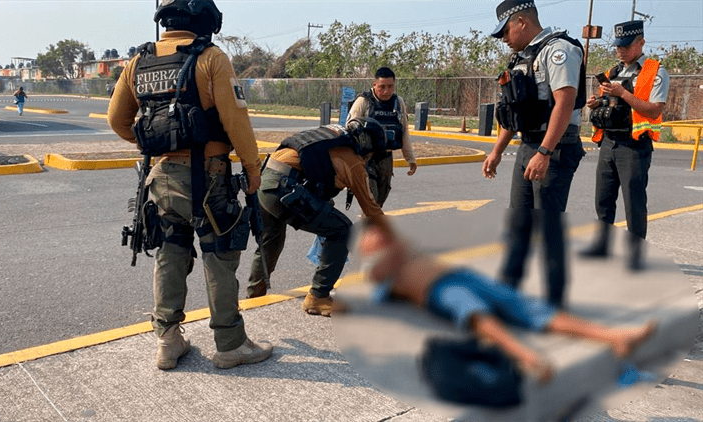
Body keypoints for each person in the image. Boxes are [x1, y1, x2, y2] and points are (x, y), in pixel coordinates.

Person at [107, 0, 272, 370]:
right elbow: (236, 121)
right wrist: (252, 169)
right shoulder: (211, 58)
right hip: (208, 178)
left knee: (169, 252)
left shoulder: (138, 62)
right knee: (219, 256)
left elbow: (117, 120)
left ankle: (168, 342)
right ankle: (230, 345)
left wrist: (157, 142)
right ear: (205, 20)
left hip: (160, 178)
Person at [354, 220, 657, 383]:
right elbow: (378, 281)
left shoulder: (398, 243)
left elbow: (394, 236)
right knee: (477, 314)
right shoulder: (375, 260)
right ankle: (526, 356)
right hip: (436, 290)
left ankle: (615, 337)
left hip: (459, 275)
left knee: (531, 310)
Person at [481, 0, 586, 308]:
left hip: (553, 148)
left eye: (505, 31)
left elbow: (564, 102)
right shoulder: (522, 59)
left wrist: (544, 151)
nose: (503, 39)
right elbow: (516, 114)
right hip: (529, 146)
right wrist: (497, 151)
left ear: (522, 21)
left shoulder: (559, 51)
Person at [245, 117, 388, 317]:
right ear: (367, 145)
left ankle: (254, 298)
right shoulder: (354, 161)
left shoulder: (330, 135)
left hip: (266, 180)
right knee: (341, 230)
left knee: (270, 241)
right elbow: (371, 211)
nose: (370, 159)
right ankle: (318, 296)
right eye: (372, 154)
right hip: (284, 187)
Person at [581, 20, 669, 271]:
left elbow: (654, 111)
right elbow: (611, 105)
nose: (620, 51)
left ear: (640, 42)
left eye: (626, 46)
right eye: (617, 46)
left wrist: (623, 94)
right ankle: (602, 247)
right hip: (609, 142)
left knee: (634, 202)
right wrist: (597, 103)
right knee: (603, 200)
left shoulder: (655, 71)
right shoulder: (612, 72)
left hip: (634, 147)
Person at [347, 66, 417, 207]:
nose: (386, 91)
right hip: (366, 159)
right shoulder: (363, 101)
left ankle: (369, 224)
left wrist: (410, 158)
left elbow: (404, 131)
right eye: (382, 87)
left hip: (386, 159)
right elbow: (349, 129)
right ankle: (369, 225)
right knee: (371, 201)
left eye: (390, 86)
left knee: (379, 201)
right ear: (374, 85)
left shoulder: (398, 102)